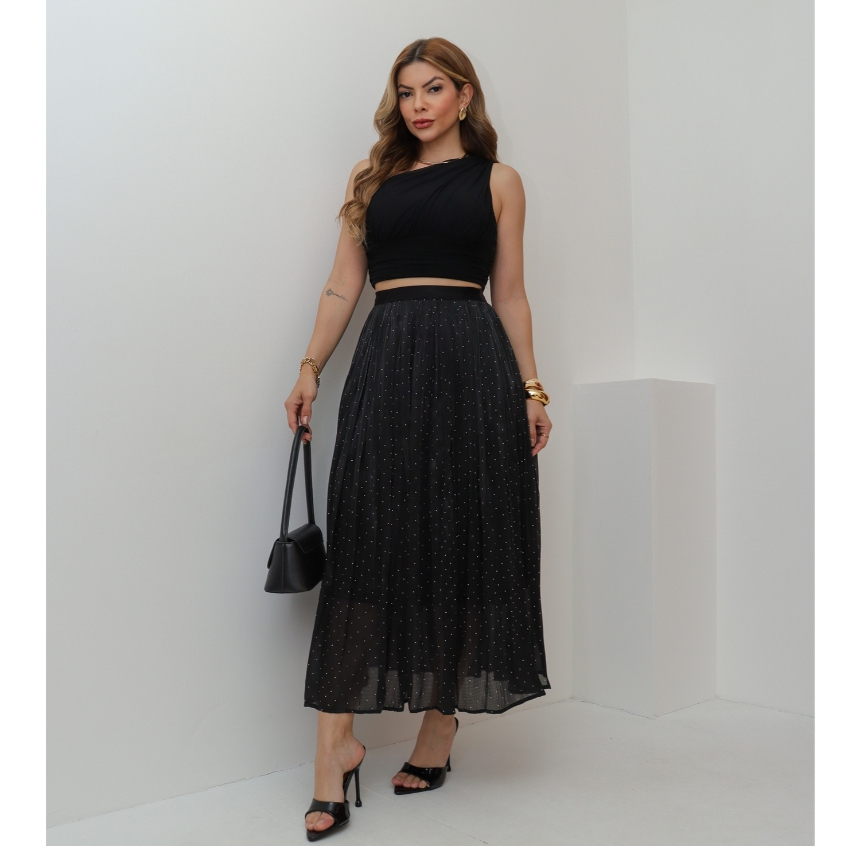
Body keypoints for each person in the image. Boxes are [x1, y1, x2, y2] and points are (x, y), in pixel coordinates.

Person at [284, 37, 553, 841]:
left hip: (473, 367)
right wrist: (309, 367)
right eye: (406, 92)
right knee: (369, 543)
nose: (419, 105)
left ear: (465, 95)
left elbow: (511, 293)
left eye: (434, 88)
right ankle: (334, 748)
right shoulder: (371, 180)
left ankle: (440, 726)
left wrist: (532, 388)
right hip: (388, 361)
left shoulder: (499, 182)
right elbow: (343, 285)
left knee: (463, 540)